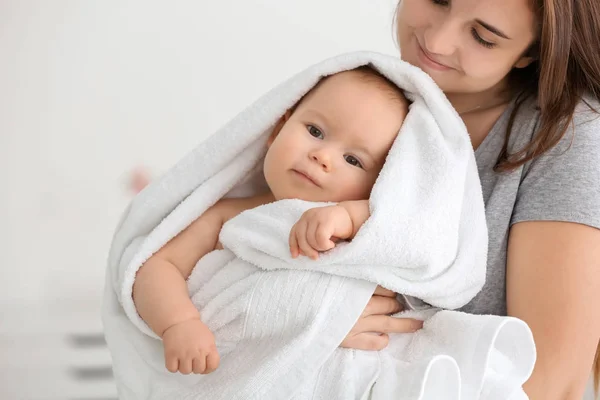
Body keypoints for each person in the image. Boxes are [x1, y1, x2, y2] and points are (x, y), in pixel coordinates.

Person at [339, 1, 600, 399]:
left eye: (483, 37)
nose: (437, 41)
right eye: (438, 0)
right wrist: (309, 314)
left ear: (530, 53)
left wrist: (325, 326)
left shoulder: (568, 139)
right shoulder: (361, 91)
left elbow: (548, 385)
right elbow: (245, 232)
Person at [131, 66, 411, 375]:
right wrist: (179, 323)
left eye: (353, 160)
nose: (323, 157)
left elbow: (398, 231)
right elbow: (158, 266)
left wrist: (347, 215)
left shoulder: (365, 223)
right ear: (277, 130)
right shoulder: (228, 216)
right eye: (315, 131)